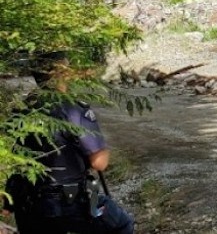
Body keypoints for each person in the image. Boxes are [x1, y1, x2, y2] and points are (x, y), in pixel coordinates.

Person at [2, 60, 135, 234]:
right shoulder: (73, 109)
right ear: (63, 73)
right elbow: (99, 163)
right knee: (122, 225)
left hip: (29, 205)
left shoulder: (21, 111)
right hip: (70, 204)